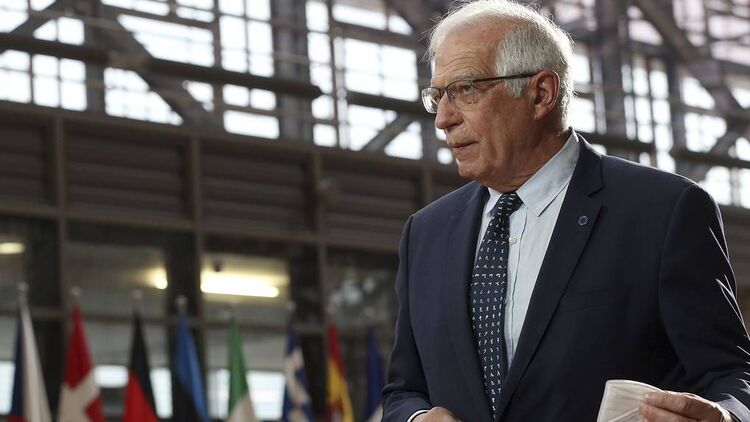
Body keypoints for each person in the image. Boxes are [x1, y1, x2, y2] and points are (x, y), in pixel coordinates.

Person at [381, 1, 750, 421]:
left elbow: (731, 374)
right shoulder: (424, 233)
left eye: (465, 90)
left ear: (541, 94)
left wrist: (725, 417)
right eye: (438, 96)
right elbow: (404, 390)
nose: (443, 119)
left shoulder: (664, 211)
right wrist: (415, 418)